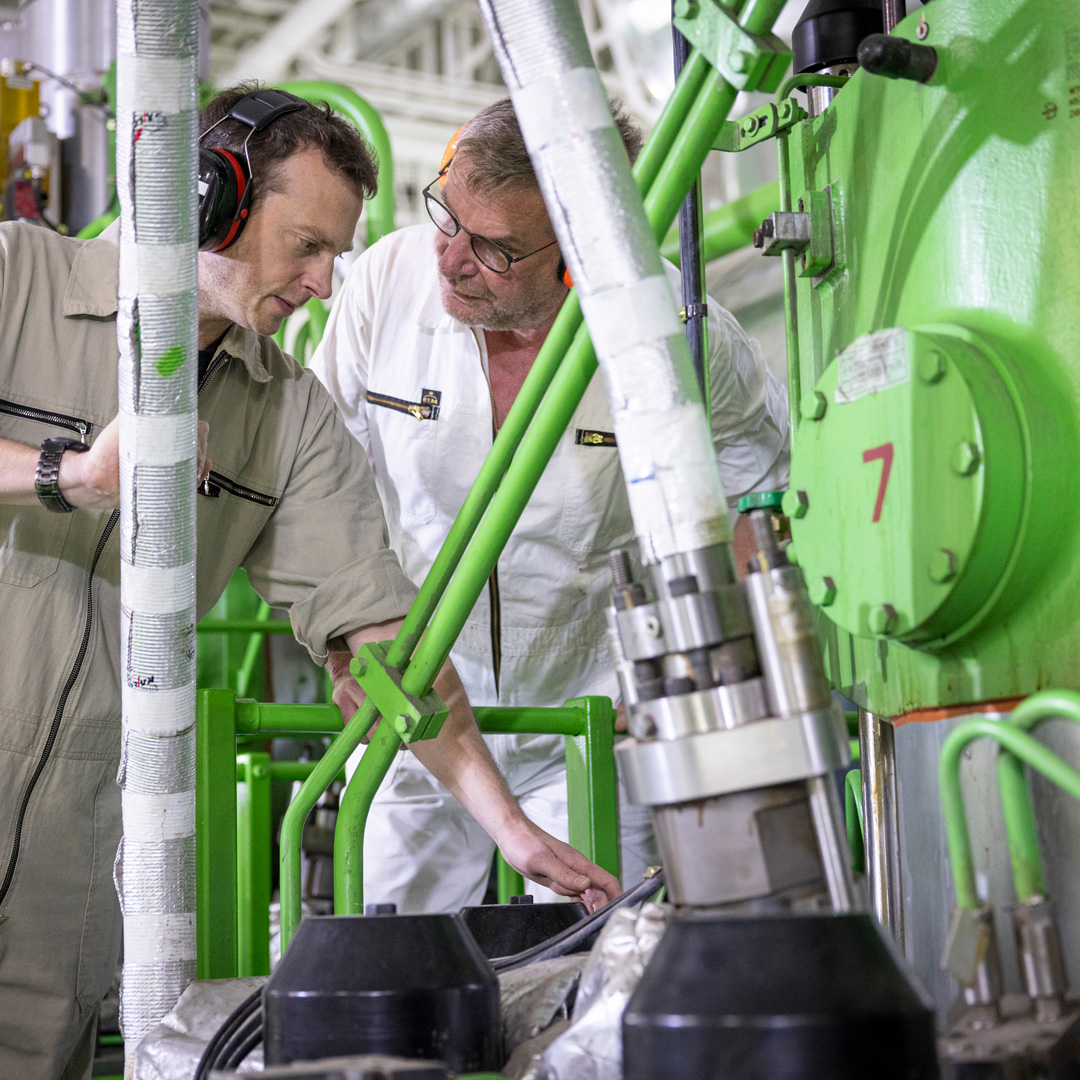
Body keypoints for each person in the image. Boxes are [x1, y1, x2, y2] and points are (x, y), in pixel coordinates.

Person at [0, 85, 618, 1080]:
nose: (327, 284)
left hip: (74, 855)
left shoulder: (288, 415)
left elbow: (388, 643)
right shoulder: (18, 278)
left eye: (337, 253)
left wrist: (513, 829)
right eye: (307, 246)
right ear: (209, 201)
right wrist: (68, 474)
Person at [310, 98, 790, 915]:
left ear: (580, 251)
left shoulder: (674, 332)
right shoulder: (387, 283)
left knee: (594, 959)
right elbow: (315, 484)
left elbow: (763, 484)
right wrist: (338, 653)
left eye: (494, 248)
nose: (451, 259)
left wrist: (700, 665)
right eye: (447, 215)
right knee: (385, 958)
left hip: (590, 721)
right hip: (414, 712)